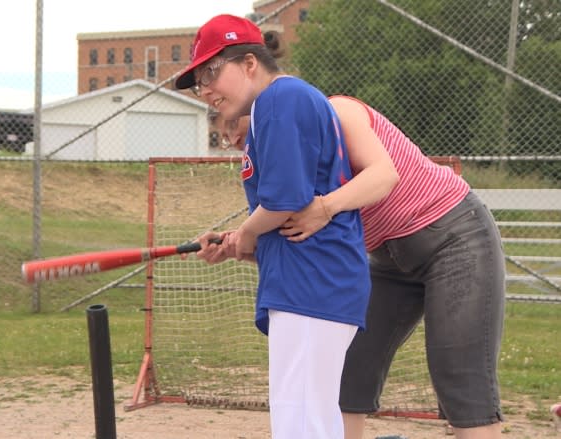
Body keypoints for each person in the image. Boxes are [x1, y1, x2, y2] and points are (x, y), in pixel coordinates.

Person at [200, 75, 506, 439]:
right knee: (348, 373)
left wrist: (326, 206)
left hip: (453, 238)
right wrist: (243, 246)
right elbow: (310, 239)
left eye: (235, 123)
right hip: (385, 260)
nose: (235, 139)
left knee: (458, 371)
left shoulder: (335, 111)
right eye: (226, 137)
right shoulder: (288, 163)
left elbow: (384, 175)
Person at [175, 14, 371, 438]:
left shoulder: (281, 98)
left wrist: (244, 233)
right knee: (304, 419)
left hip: (313, 284)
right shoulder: (273, 106)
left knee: (303, 425)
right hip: (306, 282)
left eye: (211, 72)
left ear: (249, 63)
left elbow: (286, 200)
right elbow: (284, 214)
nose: (204, 89)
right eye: (197, 81)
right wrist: (238, 243)